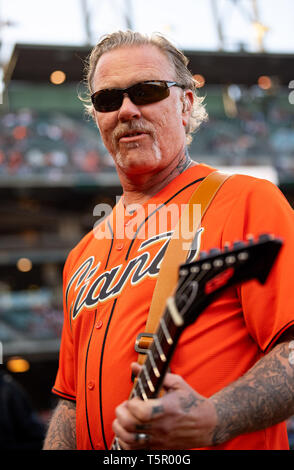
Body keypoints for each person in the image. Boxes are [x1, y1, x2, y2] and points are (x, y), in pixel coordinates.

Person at [43, 30, 294, 451]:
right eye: (108, 99)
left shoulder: (247, 199)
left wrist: (217, 417)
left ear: (185, 103)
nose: (126, 110)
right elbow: (71, 404)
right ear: (97, 117)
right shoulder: (81, 254)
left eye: (147, 91)